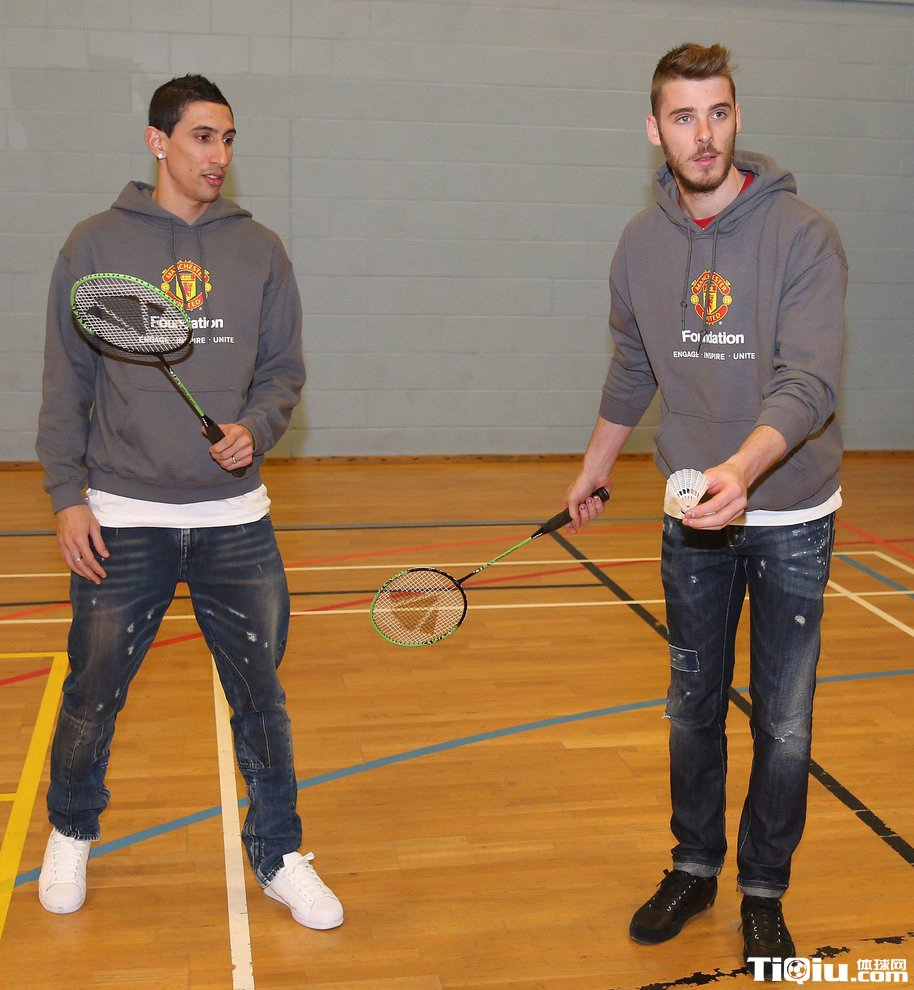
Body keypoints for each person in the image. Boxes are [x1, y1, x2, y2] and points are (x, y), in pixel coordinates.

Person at [35, 74, 343, 931]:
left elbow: (282, 373)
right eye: (203, 136)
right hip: (122, 512)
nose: (219, 154)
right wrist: (65, 495)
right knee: (93, 692)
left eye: (228, 138)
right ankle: (71, 830)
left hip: (234, 520)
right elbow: (66, 383)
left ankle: (279, 853)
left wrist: (257, 427)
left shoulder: (261, 250)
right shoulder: (94, 243)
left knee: (261, 698)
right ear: (158, 140)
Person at [564, 43, 846, 976]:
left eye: (718, 112)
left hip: (789, 516)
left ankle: (764, 890)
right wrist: (596, 465)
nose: (704, 134)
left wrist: (741, 471)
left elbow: (808, 384)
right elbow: (632, 365)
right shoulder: (639, 245)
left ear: (737, 117)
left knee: (784, 722)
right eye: (684, 117)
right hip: (691, 519)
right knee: (692, 706)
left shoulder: (803, 235)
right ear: (655, 130)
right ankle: (694, 866)